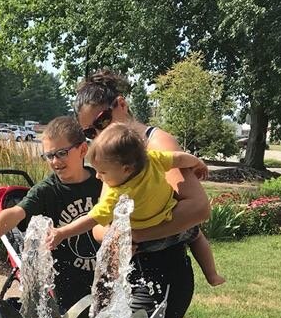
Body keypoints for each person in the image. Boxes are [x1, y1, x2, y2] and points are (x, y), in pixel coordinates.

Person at [74, 68, 212, 318]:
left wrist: (135, 234)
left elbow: (198, 208)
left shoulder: (157, 144)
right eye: (89, 131)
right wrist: (118, 235)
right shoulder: (112, 154)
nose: (97, 134)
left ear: (121, 104)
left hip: (163, 273)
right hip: (131, 273)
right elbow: (100, 227)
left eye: (101, 121)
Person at [0, 115, 102, 311]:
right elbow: (12, 214)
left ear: (83, 149)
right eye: (49, 156)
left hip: (104, 279)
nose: (55, 161)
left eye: (61, 153)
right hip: (66, 290)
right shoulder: (46, 191)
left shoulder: (103, 181)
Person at [49, 122, 225, 287]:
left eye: (102, 172)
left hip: (144, 242)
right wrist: (198, 163)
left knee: (120, 256)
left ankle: (115, 288)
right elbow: (179, 159)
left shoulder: (115, 192)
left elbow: (92, 218)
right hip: (171, 225)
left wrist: (63, 232)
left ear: (126, 169)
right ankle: (212, 275)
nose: (97, 177)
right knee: (196, 236)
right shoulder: (152, 159)